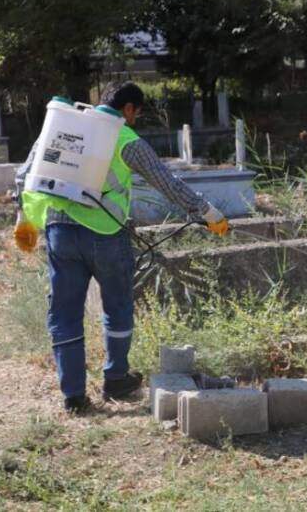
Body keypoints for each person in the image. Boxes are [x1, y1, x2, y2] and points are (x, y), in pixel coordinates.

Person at [14, 82, 229, 414]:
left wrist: (24, 221)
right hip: (105, 233)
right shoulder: (125, 138)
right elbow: (167, 183)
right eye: (136, 113)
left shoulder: (62, 126)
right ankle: (116, 378)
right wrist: (208, 213)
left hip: (59, 232)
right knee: (117, 306)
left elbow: (25, 175)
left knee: (64, 313)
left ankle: (73, 396)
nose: (134, 119)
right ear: (129, 109)